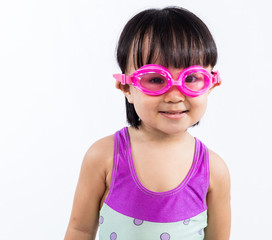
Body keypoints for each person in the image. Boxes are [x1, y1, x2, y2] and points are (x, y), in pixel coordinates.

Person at [65, 6, 231, 240]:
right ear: (127, 88)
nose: (175, 96)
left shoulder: (214, 170)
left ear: (211, 84)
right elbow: (79, 230)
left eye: (191, 78)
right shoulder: (103, 157)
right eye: (155, 79)